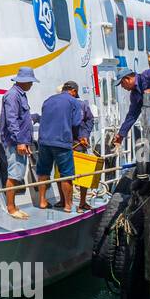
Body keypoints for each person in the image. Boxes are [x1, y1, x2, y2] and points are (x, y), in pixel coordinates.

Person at [36, 82, 86, 213]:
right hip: (62, 142)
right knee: (66, 174)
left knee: (43, 172)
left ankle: (42, 201)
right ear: (74, 91)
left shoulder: (48, 100)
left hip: (44, 142)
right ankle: (68, 205)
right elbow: (76, 123)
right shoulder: (73, 102)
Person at [0, 66, 37, 219]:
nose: (32, 85)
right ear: (24, 81)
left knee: (17, 173)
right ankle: (10, 208)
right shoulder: (13, 95)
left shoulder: (20, 95)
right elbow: (12, 120)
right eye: (30, 82)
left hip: (21, 141)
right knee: (14, 175)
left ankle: (13, 205)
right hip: (15, 142)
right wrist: (20, 141)